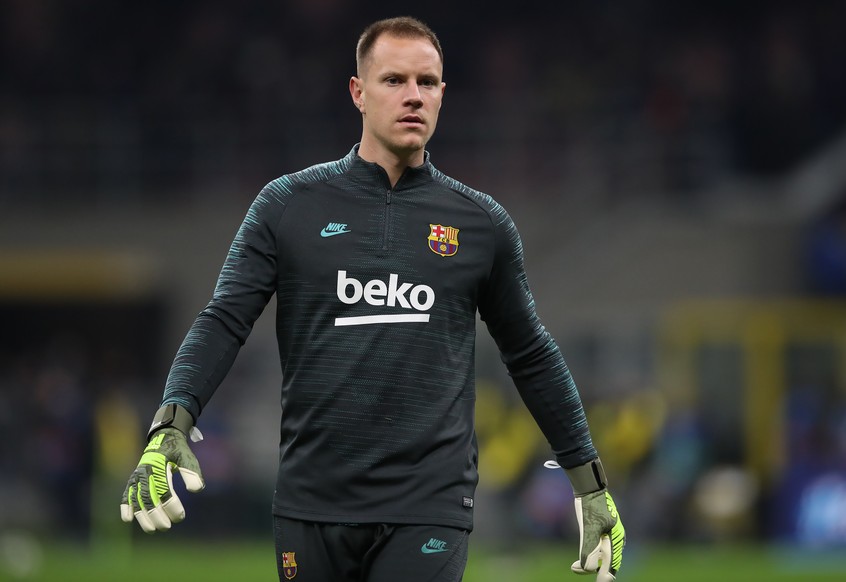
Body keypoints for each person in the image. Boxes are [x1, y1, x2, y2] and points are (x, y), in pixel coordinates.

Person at [120, 16, 625, 582]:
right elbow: (224, 320)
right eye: (394, 80)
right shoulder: (286, 206)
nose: (414, 96)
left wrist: (589, 483)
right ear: (358, 93)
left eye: (428, 82)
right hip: (311, 503)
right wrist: (170, 424)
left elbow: (530, 353)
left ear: (442, 94)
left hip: (428, 505)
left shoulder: (482, 224)